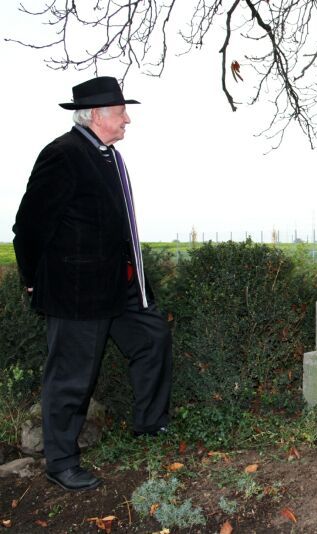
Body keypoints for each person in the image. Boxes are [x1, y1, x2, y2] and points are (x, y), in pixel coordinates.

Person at [13, 77, 173, 490]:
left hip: (118, 286)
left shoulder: (105, 156)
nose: (127, 119)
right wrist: (32, 279)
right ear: (98, 115)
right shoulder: (63, 155)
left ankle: (150, 424)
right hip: (77, 291)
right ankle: (61, 462)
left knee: (152, 337)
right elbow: (28, 226)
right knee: (71, 376)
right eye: (121, 112)